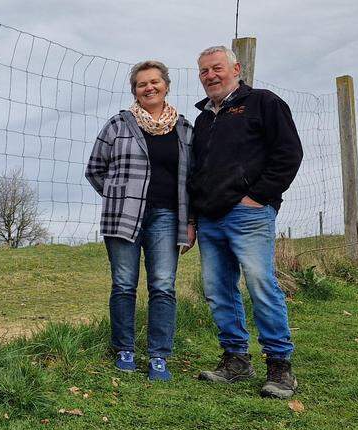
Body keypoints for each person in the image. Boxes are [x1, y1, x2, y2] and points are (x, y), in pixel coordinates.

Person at [189, 46, 303, 399]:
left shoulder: (264, 103)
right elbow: (195, 172)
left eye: (216, 68)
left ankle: (280, 366)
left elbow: (289, 153)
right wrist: (194, 215)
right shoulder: (203, 119)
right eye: (204, 71)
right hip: (211, 217)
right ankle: (236, 358)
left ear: (236, 68)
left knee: (260, 284)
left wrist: (258, 197)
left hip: (248, 213)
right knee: (218, 290)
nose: (210, 75)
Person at [86, 60, 195, 381]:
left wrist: (192, 222)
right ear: (134, 90)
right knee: (124, 284)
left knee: (163, 286)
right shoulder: (117, 125)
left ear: (166, 85)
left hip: (167, 215)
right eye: (141, 84)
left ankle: (159, 356)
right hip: (123, 217)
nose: (149, 88)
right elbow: (95, 169)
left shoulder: (185, 129)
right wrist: (119, 194)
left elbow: (193, 179)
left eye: (155, 82)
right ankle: (125, 349)